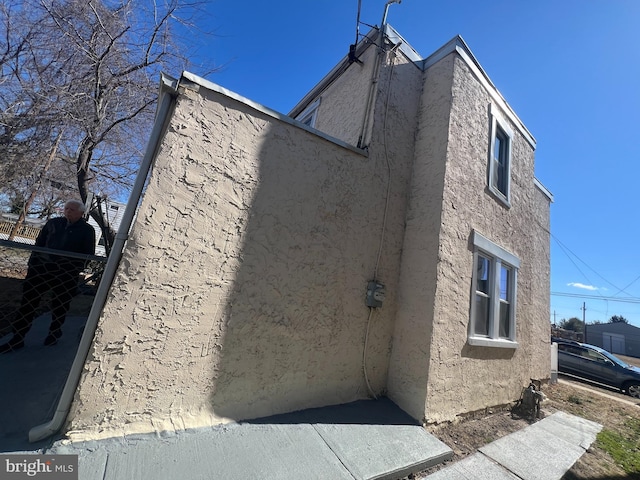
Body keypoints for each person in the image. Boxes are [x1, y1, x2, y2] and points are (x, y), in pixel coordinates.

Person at [0, 199, 95, 353]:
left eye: (72, 209)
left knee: (60, 305)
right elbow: (39, 244)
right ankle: (17, 338)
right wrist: (33, 265)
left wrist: (74, 268)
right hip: (41, 270)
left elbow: (87, 253)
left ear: (81, 213)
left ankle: (54, 332)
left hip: (65, 273)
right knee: (28, 303)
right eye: (66, 208)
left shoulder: (87, 230)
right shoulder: (54, 223)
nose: (68, 211)